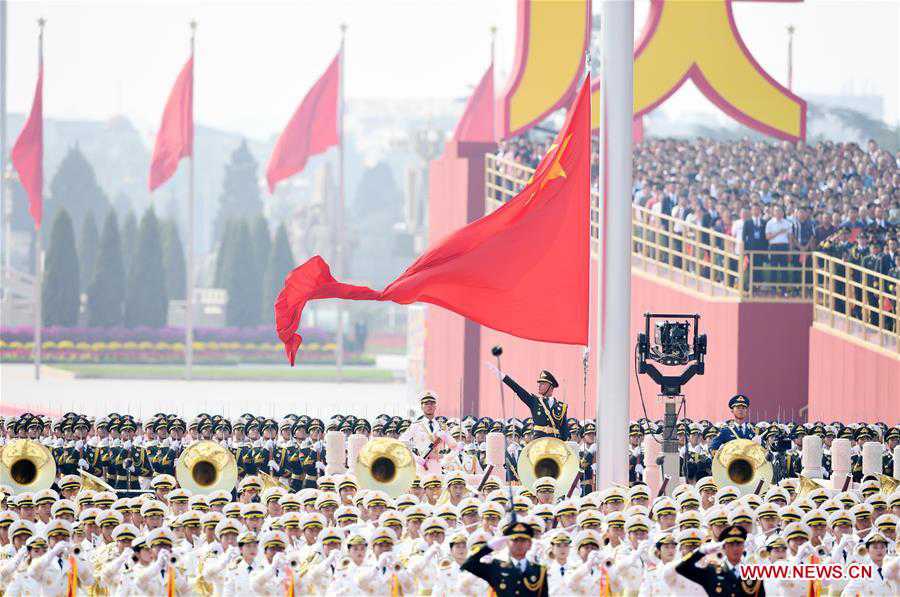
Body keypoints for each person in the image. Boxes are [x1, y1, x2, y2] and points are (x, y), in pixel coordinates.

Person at [461, 520, 548, 597]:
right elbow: (468, 564)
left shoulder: (539, 570)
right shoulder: (495, 567)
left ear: (529, 545)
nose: (519, 544)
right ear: (507, 544)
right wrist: (489, 547)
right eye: (515, 540)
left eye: (523, 540)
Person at [484, 363, 570, 440]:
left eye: (543, 383)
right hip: (538, 443)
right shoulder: (534, 401)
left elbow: (564, 433)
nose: (539, 385)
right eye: (539, 383)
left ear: (551, 387)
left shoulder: (562, 407)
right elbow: (517, 389)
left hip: (554, 444)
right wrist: (501, 376)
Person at [676, 524, 765, 597]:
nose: (735, 548)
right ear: (723, 547)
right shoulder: (711, 571)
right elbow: (682, 568)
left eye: (738, 544)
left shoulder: (753, 573)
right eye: (730, 544)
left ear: (743, 547)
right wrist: (701, 551)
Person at [399, 393, 459, 474]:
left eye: (432, 403)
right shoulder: (416, 425)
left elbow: (455, 447)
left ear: (435, 406)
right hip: (421, 464)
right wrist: (415, 457)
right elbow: (401, 443)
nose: (429, 406)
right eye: (426, 404)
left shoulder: (442, 426)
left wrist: (446, 460)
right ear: (421, 406)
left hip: (437, 464)